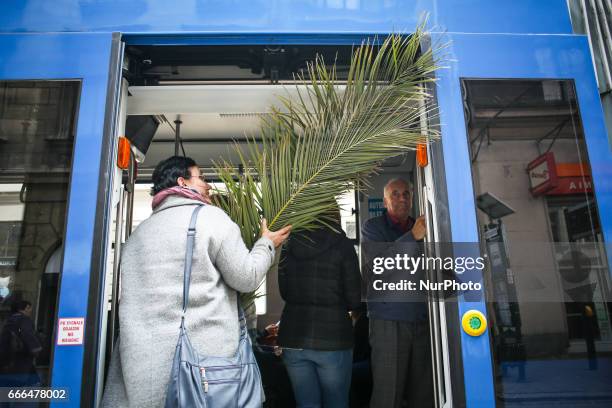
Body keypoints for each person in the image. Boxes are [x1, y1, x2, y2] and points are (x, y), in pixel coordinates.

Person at [101, 156, 291, 407]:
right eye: (201, 177)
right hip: (200, 371)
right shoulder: (210, 219)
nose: (208, 185)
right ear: (183, 181)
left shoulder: (139, 234)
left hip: (142, 368)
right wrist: (267, 243)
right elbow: (246, 278)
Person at [277, 210, 362, 408]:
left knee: (306, 404)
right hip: (333, 340)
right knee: (337, 403)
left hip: (293, 338)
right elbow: (354, 299)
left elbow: (284, 292)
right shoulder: (342, 244)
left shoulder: (290, 243)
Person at [361, 178, 433, 408]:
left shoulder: (422, 226)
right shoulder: (373, 228)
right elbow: (380, 266)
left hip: (422, 319)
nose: (402, 198)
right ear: (384, 201)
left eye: (406, 194)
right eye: (395, 194)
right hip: (388, 321)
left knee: (423, 394)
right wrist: (412, 237)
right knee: (388, 394)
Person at [0, 300, 43, 387]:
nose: (31, 310)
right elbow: (28, 336)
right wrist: (37, 350)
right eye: (30, 308)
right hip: (21, 361)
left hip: (6, 361)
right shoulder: (24, 320)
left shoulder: (8, 320)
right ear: (26, 308)